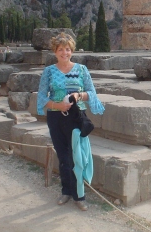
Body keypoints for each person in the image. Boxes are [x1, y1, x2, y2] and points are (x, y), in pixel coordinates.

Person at [37, 32, 104, 211]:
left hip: (76, 117)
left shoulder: (81, 70)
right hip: (55, 117)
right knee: (63, 155)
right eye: (60, 49)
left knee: (77, 156)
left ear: (72, 51)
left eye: (67, 49)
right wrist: (57, 106)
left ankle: (79, 195)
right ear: (55, 51)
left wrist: (78, 95)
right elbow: (42, 96)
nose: (64, 53)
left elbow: (92, 93)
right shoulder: (49, 71)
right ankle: (66, 191)